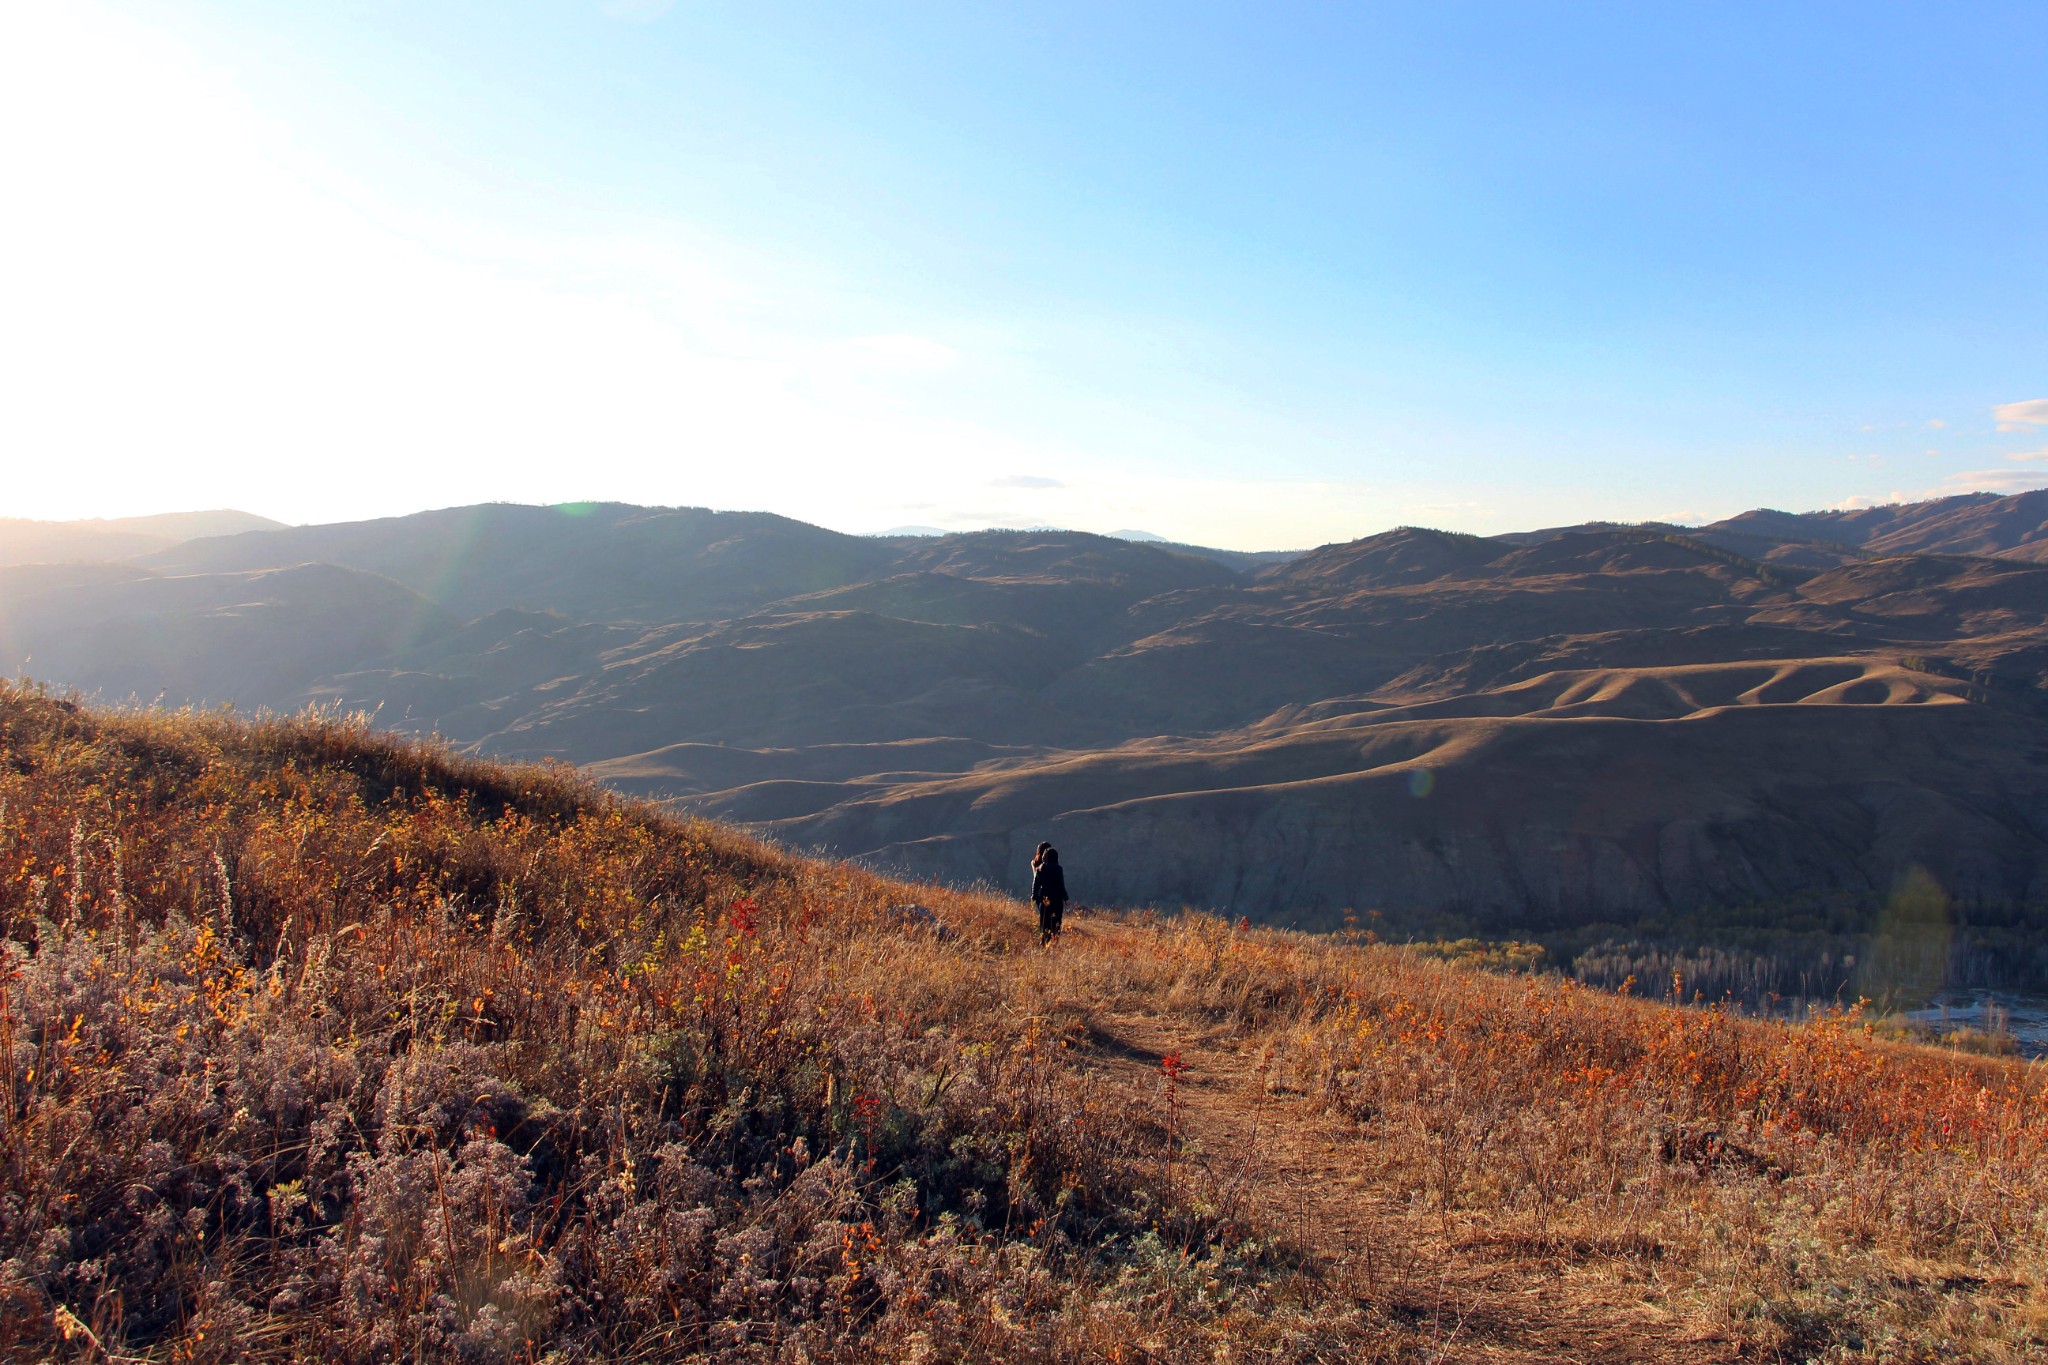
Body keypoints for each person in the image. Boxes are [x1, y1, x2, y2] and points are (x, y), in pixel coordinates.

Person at [1030, 842, 1068, 946]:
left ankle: (1043, 943)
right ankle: (1054, 942)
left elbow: (1035, 884)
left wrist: (1033, 896)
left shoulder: (1039, 869)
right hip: (1057, 899)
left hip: (1044, 898)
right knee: (1056, 921)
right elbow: (1060, 885)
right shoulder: (1058, 869)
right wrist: (1066, 898)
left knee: (1044, 921)